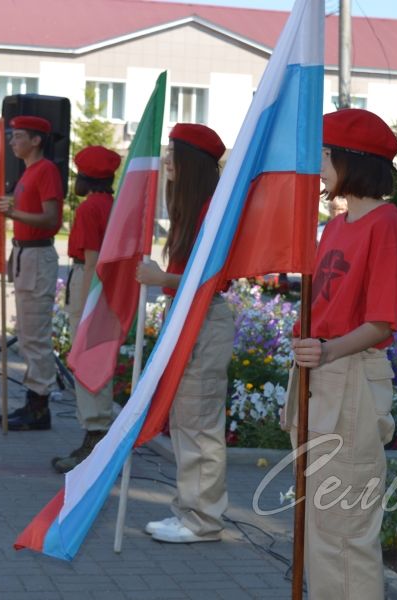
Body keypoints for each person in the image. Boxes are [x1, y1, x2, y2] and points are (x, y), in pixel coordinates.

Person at [285, 108, 397, 600]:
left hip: (352, 376)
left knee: (346, 526)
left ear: (351, 159)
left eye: (324, 153)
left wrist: (327, 349)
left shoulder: (386, 224)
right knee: (322, 520)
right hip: (325, 375)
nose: (317, 164)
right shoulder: (337, 226)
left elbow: (382, 320)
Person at [136, 123, 234, 544]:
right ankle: (190, 510)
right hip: (189, 317)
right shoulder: (192, 207)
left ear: (192, 162)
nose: (166, 161)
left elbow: (214, 278)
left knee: (198, 423)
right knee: (187, 420)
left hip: (204, 318)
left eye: (173, 153)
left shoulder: (213, 208)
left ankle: (203, 519)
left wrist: (162, 277)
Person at [51, 145, 121, 473]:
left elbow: (91, 259)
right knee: (98, 360)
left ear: (86, 177)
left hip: (90, 283)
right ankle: (97, 436)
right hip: (107, 287)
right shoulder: (112, 204)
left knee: (87, 360)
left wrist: (84, 307)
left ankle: (95, 438)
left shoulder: (90, 208)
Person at [0, 116, 64, 430]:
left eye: (18, 136)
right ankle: (33, 401)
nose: (13, 141)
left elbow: (51, 219)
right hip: (26, 252)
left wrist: (14, 212)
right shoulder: (28, 172)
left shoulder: (46, 170)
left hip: (37, 254)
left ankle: (39, 407)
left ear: (36, 140)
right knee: (26, 334)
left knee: (35, 335)